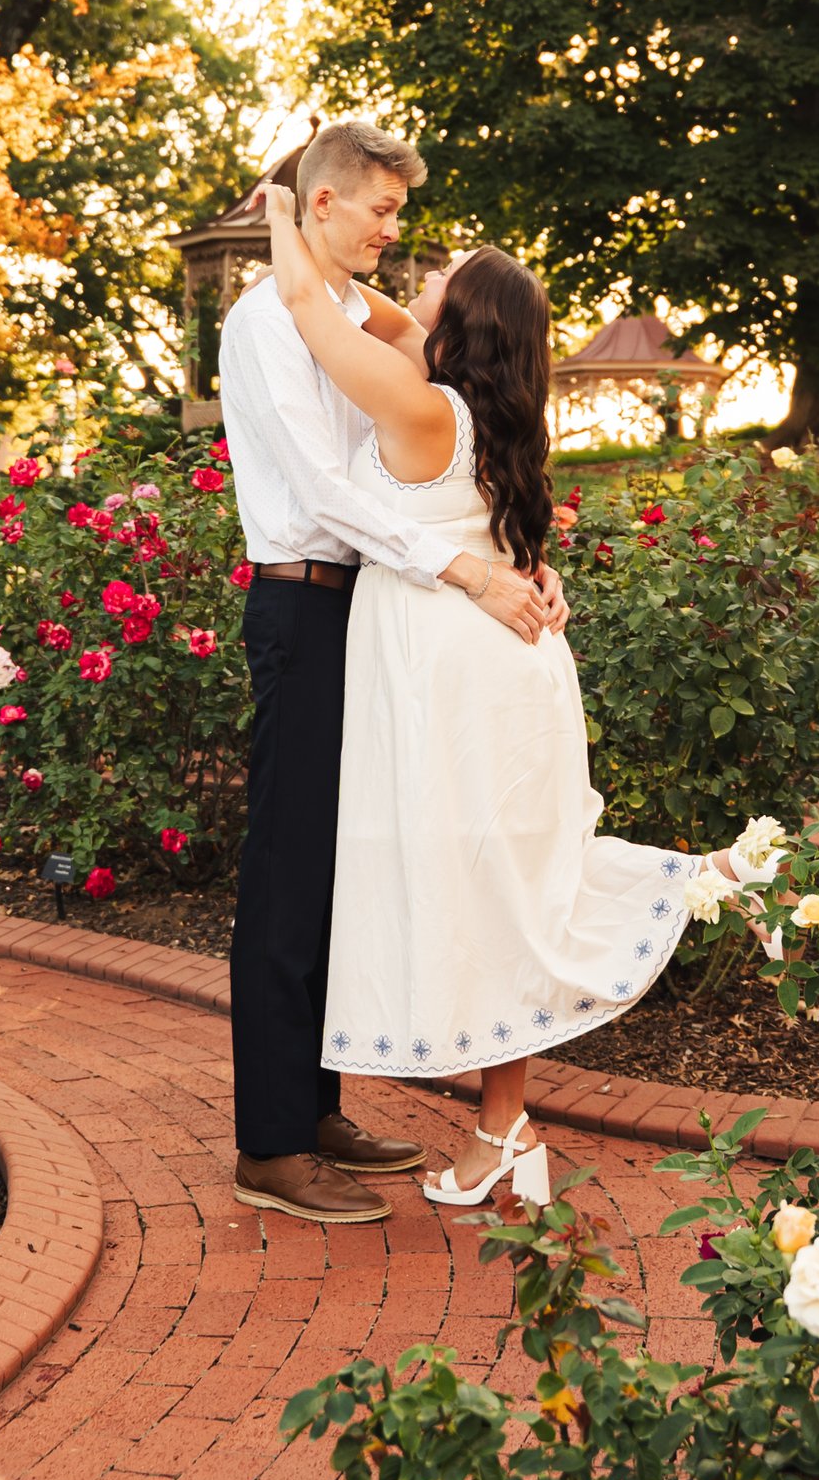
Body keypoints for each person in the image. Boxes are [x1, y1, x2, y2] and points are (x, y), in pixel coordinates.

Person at [261, 187, 715, 1208]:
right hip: (507, 664)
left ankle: (700, 877)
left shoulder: (421, 406)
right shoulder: (489, 411)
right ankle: (500, 1129)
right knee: (503, 884)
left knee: (479, 886)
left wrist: (287, 208)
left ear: (459, 316)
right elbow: (377, 312)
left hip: (448, 670)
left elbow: (305, 300)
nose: (418, 272)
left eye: (443, 272)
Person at [215, 120, 568, 1226]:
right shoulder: (269, 321)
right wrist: (470, 568)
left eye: (400, 213)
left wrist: (515, 560)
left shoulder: (371, 327)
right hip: (303, 601)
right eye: (378, 208)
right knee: (286, 871)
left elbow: (460, 446)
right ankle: (270, 1147)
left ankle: (313, 1109)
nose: (394, 229)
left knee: (337, 866)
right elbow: (328, 495)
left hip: (366, 612)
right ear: (321, 205)